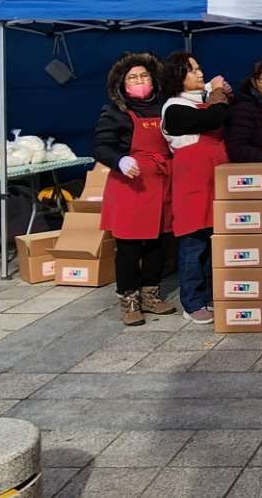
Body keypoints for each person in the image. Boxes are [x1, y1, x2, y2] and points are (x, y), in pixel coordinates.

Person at [92, 52, 177, 327]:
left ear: (153, 79)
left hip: (163, 183)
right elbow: (101, 146)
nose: (140, 81)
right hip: (131, 186)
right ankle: (129, 299)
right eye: (132, 77)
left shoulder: (166, 107)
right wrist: (120, 159)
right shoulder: (114, 111)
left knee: (159, 243)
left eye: (144, 75)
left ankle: (151, 293)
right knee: (129, 247)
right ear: (122, 84)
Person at [161, 51, 232, 325]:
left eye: (199, 68)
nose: (199, 73)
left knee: (215, 241)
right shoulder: (174, 109)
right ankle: (191, 301)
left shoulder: (205, 102)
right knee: (193, 244)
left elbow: (222, 114)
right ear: (177, 77)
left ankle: (212, 294)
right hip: (192, 182)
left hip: (216, 178)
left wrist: (222, 95)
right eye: (191, 70)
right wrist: (217, 94)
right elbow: (213, 119)